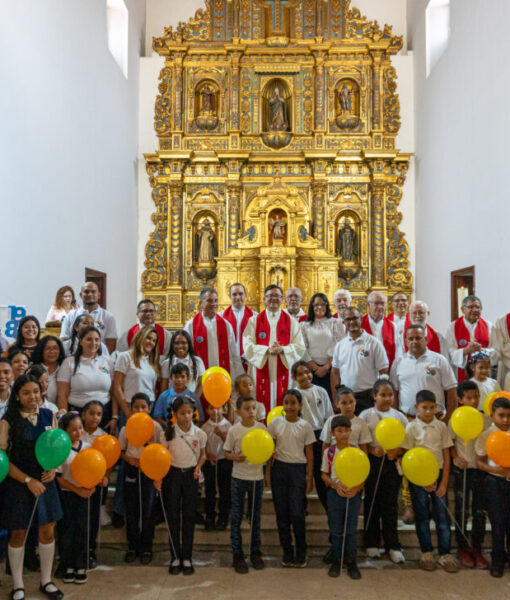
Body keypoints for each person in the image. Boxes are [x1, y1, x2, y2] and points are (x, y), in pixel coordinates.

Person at [0, 374, 64, 600]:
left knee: (47, 530)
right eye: (26, 393)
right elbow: (3, 461)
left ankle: (46, 581)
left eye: (36, 392)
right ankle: (18, 585)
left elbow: (57, 447)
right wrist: (28, 481)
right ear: (17, 396)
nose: (32, 397)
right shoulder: (8, 421)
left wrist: (53, 469)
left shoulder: (49, 415)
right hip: (19, 484)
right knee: (18, 533)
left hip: (45, 483)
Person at [402, 389, 458, 573]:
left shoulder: (441, 427)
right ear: (417, 407)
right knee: (422, 516)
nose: (428, 411)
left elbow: (447, 455)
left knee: (442, 516)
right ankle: (426, 552)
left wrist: (443, 483)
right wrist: (421, 479)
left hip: (439, 474)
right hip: (418, 477)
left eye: (432, 408)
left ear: (437, 408)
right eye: (424, 407)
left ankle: (445, 554)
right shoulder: (410, 428)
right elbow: (407, 456)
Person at [359, 380, 408, 563]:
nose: (387, 399)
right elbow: (361, 440)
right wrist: (371, 450)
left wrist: (399, 451)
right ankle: (371, 542)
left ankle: (393, 545)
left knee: (390, 504)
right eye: (383, 395)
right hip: (372, 462)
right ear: (374, 395)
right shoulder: (366, 415)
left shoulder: (399, 417)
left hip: (391, 463)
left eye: (390, 395)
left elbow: (407, 442)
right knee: (372, 501)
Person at [158, 395, 206, 575]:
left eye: (189, 412)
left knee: (188, 516)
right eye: (182, 413)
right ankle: (175, 556)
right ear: (175, 414)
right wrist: (159, 478)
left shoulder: (199, 433)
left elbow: (203, 455)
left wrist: (199, 467)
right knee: (172, 516)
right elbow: (162, 459)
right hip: (172, 477)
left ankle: (187, 557)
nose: (186, 416)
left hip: (191, 477)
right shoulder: (167, 434)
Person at [267, 389, 315, 568]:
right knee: (282, 514)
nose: (289, 406)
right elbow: (269, 450)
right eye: (286, 403)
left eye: (293, 403)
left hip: (297, 471)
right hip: (279, 470)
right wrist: (267, 474)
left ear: (300, 405)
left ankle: (301, 552)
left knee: (297, 514)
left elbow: (310, 455)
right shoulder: (275, 423)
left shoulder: (305, 426)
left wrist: (309, 478)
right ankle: (287, 551)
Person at [243, 285, 305, 413]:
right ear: (264, 299)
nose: (273, 299)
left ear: (282, 299)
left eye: (277, 296)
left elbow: (300, 347)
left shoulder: (291, 321)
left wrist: (282, 350)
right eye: (270, 296)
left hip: (283, 370)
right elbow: (247, 345)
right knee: (261, 405)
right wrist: (266, 350)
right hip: (261, 368)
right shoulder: (254, 321)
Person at [224, 395, 267, 574]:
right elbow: (226, 453)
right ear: (238, 411)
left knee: (255, 517)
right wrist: (236, 457)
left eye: (253, 408)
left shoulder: (262, 427)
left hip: (257, 478)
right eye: (247, 408)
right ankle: (237, 554)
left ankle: (255, 551)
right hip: (238, 478)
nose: (251, 412)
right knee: (236, 518)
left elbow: (267, 449)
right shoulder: (234, 430)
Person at [449, 380, 490, 569]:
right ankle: (462, 546)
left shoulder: (487, 419)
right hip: (462, 469)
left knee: (479, 510)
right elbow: (449, 444)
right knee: (461, 508)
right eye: (469, 398)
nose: (473, 401)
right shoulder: (454, 418)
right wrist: (456, 457)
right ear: (460, 399)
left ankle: (477, 548)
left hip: (481, 470)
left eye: (476, 397)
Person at [119, 393, 162, 565]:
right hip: (131, 469)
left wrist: (151, 447)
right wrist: (128, 459)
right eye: (136, 407)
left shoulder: (156, 427)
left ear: (149, 409)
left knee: (148, 510)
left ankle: (146, 547)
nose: (140, 410)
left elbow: (162, 450)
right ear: (130, 409)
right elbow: (120, 451)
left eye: (144, 407)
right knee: (131, 510)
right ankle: (132, 546)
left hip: (150, 470)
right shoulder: (125, 428)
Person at [56, 412, 96, 585]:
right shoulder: (61, 449)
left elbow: (96, 468)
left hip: (85, 495)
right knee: (67, 531)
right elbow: (58, 478)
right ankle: (68, 565)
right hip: (68, 495)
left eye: (80, 428)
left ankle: (81, 565)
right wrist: (76, 490)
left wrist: (92, 486)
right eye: (73, 430)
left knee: (83, 530)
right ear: (64, 431)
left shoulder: (88, 446)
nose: (78, 432)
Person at [320, 415, 363, 579]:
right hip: (335, 494)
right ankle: (337, 561)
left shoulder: (356, 451)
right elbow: (324, 475)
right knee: (336, 530)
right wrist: (335, 485)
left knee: (351, 530)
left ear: (350, 432)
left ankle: (351, 561)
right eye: (339, 431)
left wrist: (356, 488)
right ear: (333, 433)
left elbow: (363, 475)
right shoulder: (329, 452)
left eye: (346, 430)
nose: (343, 434)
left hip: (353, 494)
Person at [390, 325, 457, 420]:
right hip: (407, 420)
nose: (414, 341)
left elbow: (451, 390)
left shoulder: (439, 360)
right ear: (406, 341)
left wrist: (447, 419)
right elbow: (394, 392)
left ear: (425, 339)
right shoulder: (398, 362)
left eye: (418, 338)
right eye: (411, 339)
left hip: (436, 420)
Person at [475, 396, 510, 578]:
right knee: (498, 523)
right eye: (501, 415)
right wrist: (498, 470)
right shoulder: (486, 434)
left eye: (508, 416)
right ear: (492, 415)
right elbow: (480, 462)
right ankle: (497, 560)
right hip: (495, 483)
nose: (505, 420)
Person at [330, 307, 389, 414]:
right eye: (348, 319)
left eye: (355, 318)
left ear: (361, 319)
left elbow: (384, 371)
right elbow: (335, 372)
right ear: (343, 322)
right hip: (346, 398)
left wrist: (380, 395)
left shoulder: (374, 343)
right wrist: (335, 397)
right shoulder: (340, 345)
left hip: (369, 398)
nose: (352, 322)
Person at [292, 360, 333, 512]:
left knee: (319, 473)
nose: (305, 376)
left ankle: (330, 510)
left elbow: (329, 416)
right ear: (294, 377)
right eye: (300, 374)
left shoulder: (321, 391)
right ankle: (301, 508)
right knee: (300, 475)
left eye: (308, 372)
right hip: (300, 437)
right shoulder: (294, 394)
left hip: (319, 435)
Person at [184, 288, 243, 389]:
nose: (214, 304)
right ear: (201, 303)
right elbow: (186, 354)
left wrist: (239, 377)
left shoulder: (226, 325)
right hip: (200, 377)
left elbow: (234, 354)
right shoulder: (191, 325)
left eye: (216, 301)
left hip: (222, 375)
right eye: (209, 301)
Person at [57, 327, 114, 430]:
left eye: (97, 339)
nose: (93, 342)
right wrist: (65, 419)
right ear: (80, 341)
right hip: (77, 415)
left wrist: (115, 416)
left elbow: (113, 392)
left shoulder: (107, 362)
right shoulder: (69, 362)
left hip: (104, 415)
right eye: (89, 339)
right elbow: (62, 394)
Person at [80, 401, 109, 562]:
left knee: (92, 518)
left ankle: (90, 550)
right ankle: (77, 550)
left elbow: (108, 460)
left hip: (96, 485)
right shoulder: (77, 433)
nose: (95, 417)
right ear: (83, 415)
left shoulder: (103, 436)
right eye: (91, 413)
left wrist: (104, 476)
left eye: (99, 414)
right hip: (77, 483)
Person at [301, 293, 345, 398]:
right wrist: (315, 367)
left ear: (327, 306)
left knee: (331, 399)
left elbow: (340, 345)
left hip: (332, 369)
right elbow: (302, 348)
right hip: (311, 370)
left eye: (322, 304)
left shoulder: (336, 323)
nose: (319, 307)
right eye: (316, 305)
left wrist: (326, 367)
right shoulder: (304, 325)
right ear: (312, 306)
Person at [445, 295, 498, 383]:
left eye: (477, 307)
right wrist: (465, 351)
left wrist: (481, 351)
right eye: (470, 307)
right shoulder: (452, 327)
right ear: (463, 309)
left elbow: (497, 352)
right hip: (460, 376)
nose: (475, 310)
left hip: (484, 375)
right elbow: (449, 353)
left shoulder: (489, 326)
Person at [113, 326, 160, 422]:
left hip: (149, 406)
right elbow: (117, 387)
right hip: (131, 405)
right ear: (140, 337)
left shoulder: (152, 361)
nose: (151, 342)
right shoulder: (125, 357)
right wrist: (127, 411)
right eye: (148, 338)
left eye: (154, 340)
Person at [60, 282, 118, 354]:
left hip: (99, 359)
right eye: (86, 292)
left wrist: (95, 359)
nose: (90, 294)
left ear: (99, 295)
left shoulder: (108, 317)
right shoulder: (69, 316)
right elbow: (64, 341)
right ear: (81, 295)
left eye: (93, 292)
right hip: (74, 358)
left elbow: (111, 344)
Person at [201, 402, 233, 532]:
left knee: (225, 489)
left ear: (224, 409)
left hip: (224, 460)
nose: (215, 410)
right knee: (210, 489)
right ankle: (210, 516)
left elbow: (231, 445)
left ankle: (223, 516)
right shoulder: (204, 427)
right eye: (211, 408)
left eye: (218, 407)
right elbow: (202, 446)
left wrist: (222, 435)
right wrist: (207, 454)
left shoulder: (228, 426)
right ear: (207, 411)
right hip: (210, 461)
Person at [320, 386, 371, 453]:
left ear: (355, 402)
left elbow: (363, 447)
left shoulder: (361, 423)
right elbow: (326, 444)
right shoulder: (331, 420)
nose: (348, 406)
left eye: (351, 402)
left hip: (354, 459)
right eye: (344, 403)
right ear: (337, 404)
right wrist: (325, 462)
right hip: (335, 460)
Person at [361, 291, 402, 369]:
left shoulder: (392, 326)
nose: (380, 307)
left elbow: (398, 351)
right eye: (376, 303)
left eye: (382, 303)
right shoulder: (360, 324)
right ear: (368, 305)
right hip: (365, 370)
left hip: (386, 369)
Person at [220, 283, 258, 367]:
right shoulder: (221, 317)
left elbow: (257, 340)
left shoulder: (255, 316)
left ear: (245, 295)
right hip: (228, 361)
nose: (237, 297)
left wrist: (244, 356)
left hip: (248, 361)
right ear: (229, 296)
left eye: (240, 294)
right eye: (234, 294)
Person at [160, 330, 205, 396]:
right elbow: (164, 387)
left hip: (190, 403)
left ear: (189, 344)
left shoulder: (197, 361)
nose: (180, 346)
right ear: (172, 345)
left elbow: (201, 384)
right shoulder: (166, 363)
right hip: (172, 402)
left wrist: (193, 401)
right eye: (176, 343)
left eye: (183, 343)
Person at [31, 336, 66, 406]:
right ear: (41, 351)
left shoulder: (65, 369)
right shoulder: (33, 370)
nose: (52, 351)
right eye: (47, 348)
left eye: (55, 348)